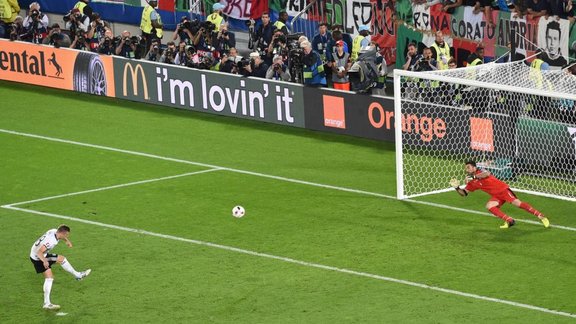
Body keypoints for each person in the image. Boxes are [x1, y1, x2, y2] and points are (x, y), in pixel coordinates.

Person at [451, 161, 550, 229]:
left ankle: (541, 216)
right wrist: (457, 188)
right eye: (466, 168)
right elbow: (464, 193)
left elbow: (487, 174)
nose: (466, 169)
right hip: (496, 196)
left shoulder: (480, 172)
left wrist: (473, 176)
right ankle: (509, 220)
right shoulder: (471, 182)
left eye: (468, 167)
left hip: (503, 190)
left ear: (474, 167)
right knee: (489, 206)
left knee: (518, 204)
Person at [30, 225, 91, 310]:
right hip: (39, 257)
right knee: (61, 260)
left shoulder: (54, 231)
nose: (67, 237)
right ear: (63, 233)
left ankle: (46, 303)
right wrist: (44, 261)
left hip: (35, 255)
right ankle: (78, 275)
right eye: (66, 235)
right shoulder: (51, 241)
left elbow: (60, 233)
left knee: (50, 278)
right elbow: (39, 252)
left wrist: (67, 241)